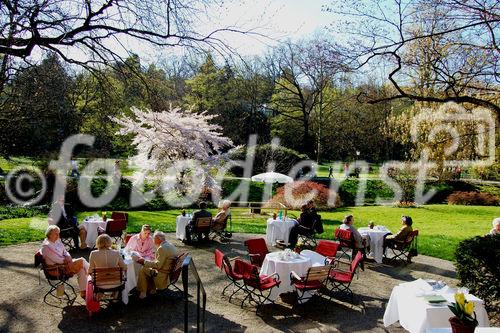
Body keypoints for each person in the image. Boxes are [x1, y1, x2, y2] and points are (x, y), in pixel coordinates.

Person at [41, 225, 89, 298]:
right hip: (57, 269)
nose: (58, 235)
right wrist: (68, 260)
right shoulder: (46, 247)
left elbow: (65, 252)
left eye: (58, 233)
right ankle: (94, 276)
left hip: (64, 265)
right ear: (49, 234)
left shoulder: (57, 241)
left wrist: (69, 258)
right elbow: (58, 260)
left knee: (81, 269)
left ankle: (84, 292)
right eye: (56, 234)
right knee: (81, 261)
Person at [136, 231, 178, 299]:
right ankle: (152, 289)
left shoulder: (162, 248)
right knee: (148, 267)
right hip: (168, 272)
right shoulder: (170, 245)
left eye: (154, 238)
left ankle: (143, 292)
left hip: (162, 276)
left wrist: (144, 262)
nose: (153, 240)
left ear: (158, 239)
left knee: (143, 269)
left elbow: (158, 265)